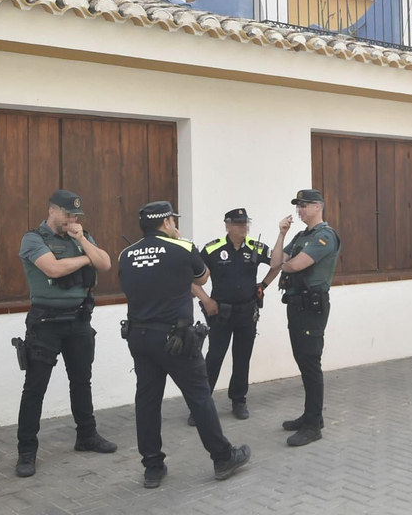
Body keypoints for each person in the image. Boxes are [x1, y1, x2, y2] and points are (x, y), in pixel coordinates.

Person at [118, 201, 251, 488]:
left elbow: (128, 285)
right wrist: (178, 244)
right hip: (175, 339)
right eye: (171, 221)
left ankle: (152, 467)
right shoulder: (182, 246)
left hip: (139, 336)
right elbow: (203, 276)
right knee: (199, 396)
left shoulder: (126, 254)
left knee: (147, 400)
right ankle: (222, 457)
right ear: (166, 223)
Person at [13, 189, 117, 478]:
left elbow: (106, 263)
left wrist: (82, 240)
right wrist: (86, 259)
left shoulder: (82, 237)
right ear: (52, 211)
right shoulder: (33, 239)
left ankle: (87, 435)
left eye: (76, 215)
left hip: (79, 321)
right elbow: (54, 269)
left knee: (82, 381)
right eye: (68, 214)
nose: (72, 219)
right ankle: (27, 451)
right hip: (45, 323)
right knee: (35, 387)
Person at [190, 208, 274, 423]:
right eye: (238, 224)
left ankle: (239, 400)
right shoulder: (213, 248)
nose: (243, 228)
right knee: (214, 358)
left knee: (242, 358)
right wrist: (205, 300)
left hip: (247, 313)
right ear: (227, 226)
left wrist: (263, 285)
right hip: (221, 314)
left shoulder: (256, 247)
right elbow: (189, 277)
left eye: (245, 224)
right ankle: (201, 405)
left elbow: (277, 263)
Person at [273, 188, 342, 447]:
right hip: (297, 305)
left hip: (312, 308)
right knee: (303, 360)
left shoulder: (325, 236)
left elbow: (294, 265)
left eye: (304, 205)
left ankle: (313, 425)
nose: (300, 210)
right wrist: (282, 235)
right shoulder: (302, 235)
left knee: (310, 362)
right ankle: (310, 415)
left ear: (318, 207)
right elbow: (275, 261)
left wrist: (286, 263)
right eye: (298, 205)